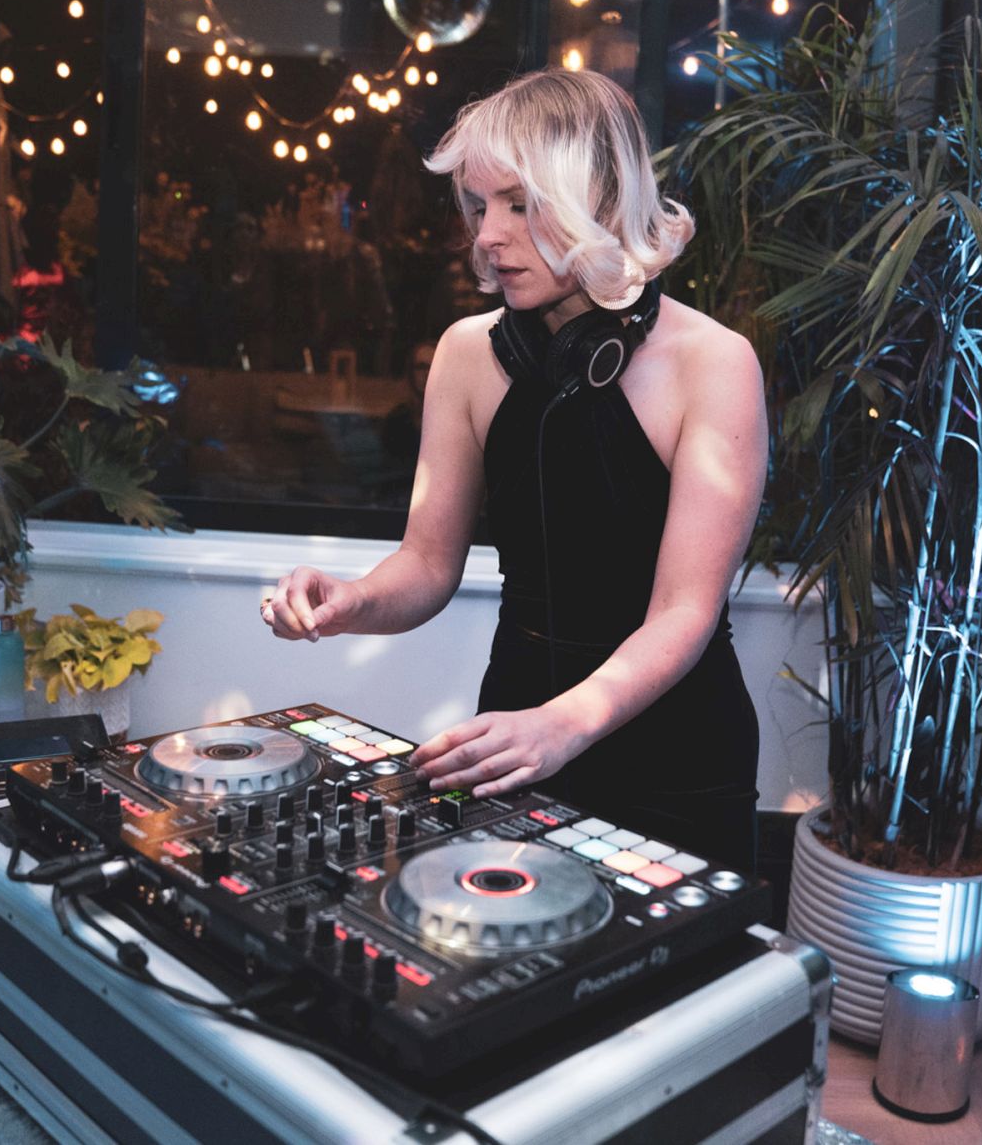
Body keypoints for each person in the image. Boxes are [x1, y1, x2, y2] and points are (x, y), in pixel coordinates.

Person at [259, 68, 768, 868]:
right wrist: (350, 600)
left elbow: (684, 613)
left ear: (597, 202)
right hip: (513, 731)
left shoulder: (716, 363)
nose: (487, 236)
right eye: (479, 206)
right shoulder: (467, 355)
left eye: (520, 205)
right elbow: (428, 565)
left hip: (676, 754)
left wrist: (564, 722)